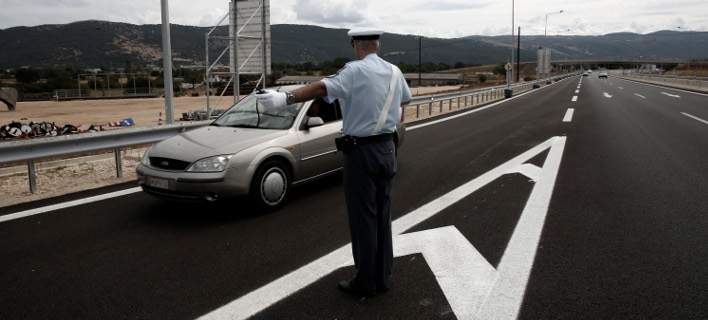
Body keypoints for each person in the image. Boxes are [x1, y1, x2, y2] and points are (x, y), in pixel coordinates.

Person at [256, 28, 412, 297]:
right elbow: (405, 101)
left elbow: (321, 88)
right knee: (382, 216)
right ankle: (382, 277)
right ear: (376, 45)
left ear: (357, 45)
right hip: (387, 148)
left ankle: (365, 281)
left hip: (361, 153)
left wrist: (285, 98)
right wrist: (387, 122)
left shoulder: (354, 70)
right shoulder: (395, 71)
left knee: (363, 218)